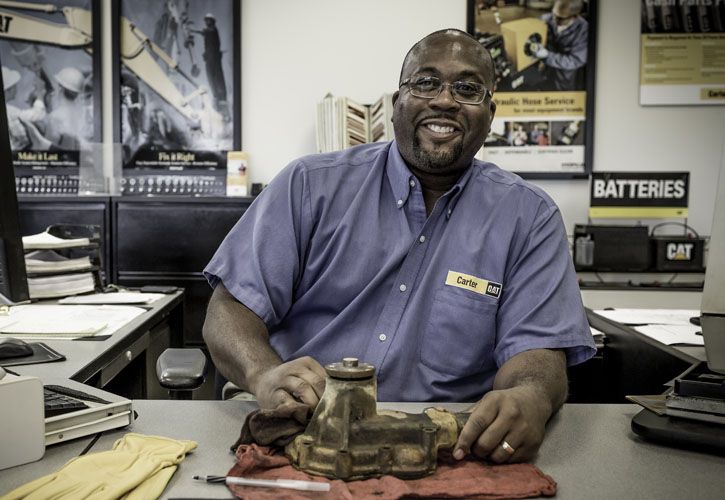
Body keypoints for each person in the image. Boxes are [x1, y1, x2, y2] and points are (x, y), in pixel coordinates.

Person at [203, 28, 595, 464]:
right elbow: (229, 309)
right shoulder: (308, 186)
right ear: (396, 104)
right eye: (426, 82)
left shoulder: (529, 217)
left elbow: (538, 352)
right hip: (304, 431)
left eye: (467, 88)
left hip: (447, 451)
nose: (445, 100)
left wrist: (530, 396)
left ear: (489, 113)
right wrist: (263, 373)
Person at [529, 0, 588, 91]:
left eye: (560, 18)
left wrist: (547, 56)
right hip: (545, 71)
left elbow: (575, 60)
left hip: (563, 77)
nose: (554, 20)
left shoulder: (583, 31)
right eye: (554, 15)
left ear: (575, 16)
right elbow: (532, 27)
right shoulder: (548, 19)